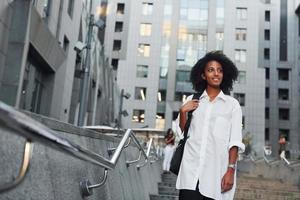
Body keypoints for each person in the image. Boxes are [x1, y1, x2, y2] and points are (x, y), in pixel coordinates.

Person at [175, 51, 245, 200]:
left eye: (219, 70)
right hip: (190, 173)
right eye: (211, 70)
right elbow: (183, 133)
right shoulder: (191, 100)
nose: (216, 74)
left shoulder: (232, 105)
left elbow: (235, 141)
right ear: (203, 75)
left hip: (215, 176)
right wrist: (182, 112)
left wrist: (230, 170)